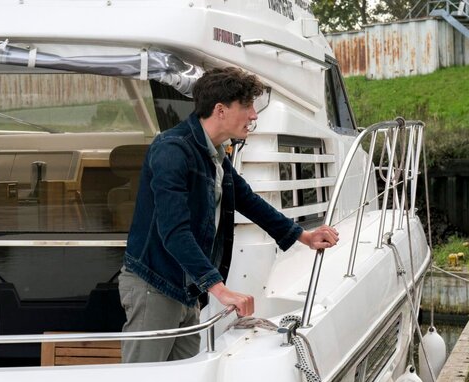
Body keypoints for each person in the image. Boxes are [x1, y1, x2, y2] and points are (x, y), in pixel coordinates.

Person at [119, 67, 339, 363]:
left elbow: (246, 199)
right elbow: (173, 231)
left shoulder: (213, 152)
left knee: (183, 379)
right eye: (246, 106)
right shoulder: (172, 150)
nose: (254, 115)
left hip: (185, 288)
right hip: (154, 285)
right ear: (220, 110)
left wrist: (303, 236)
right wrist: (220, 290)